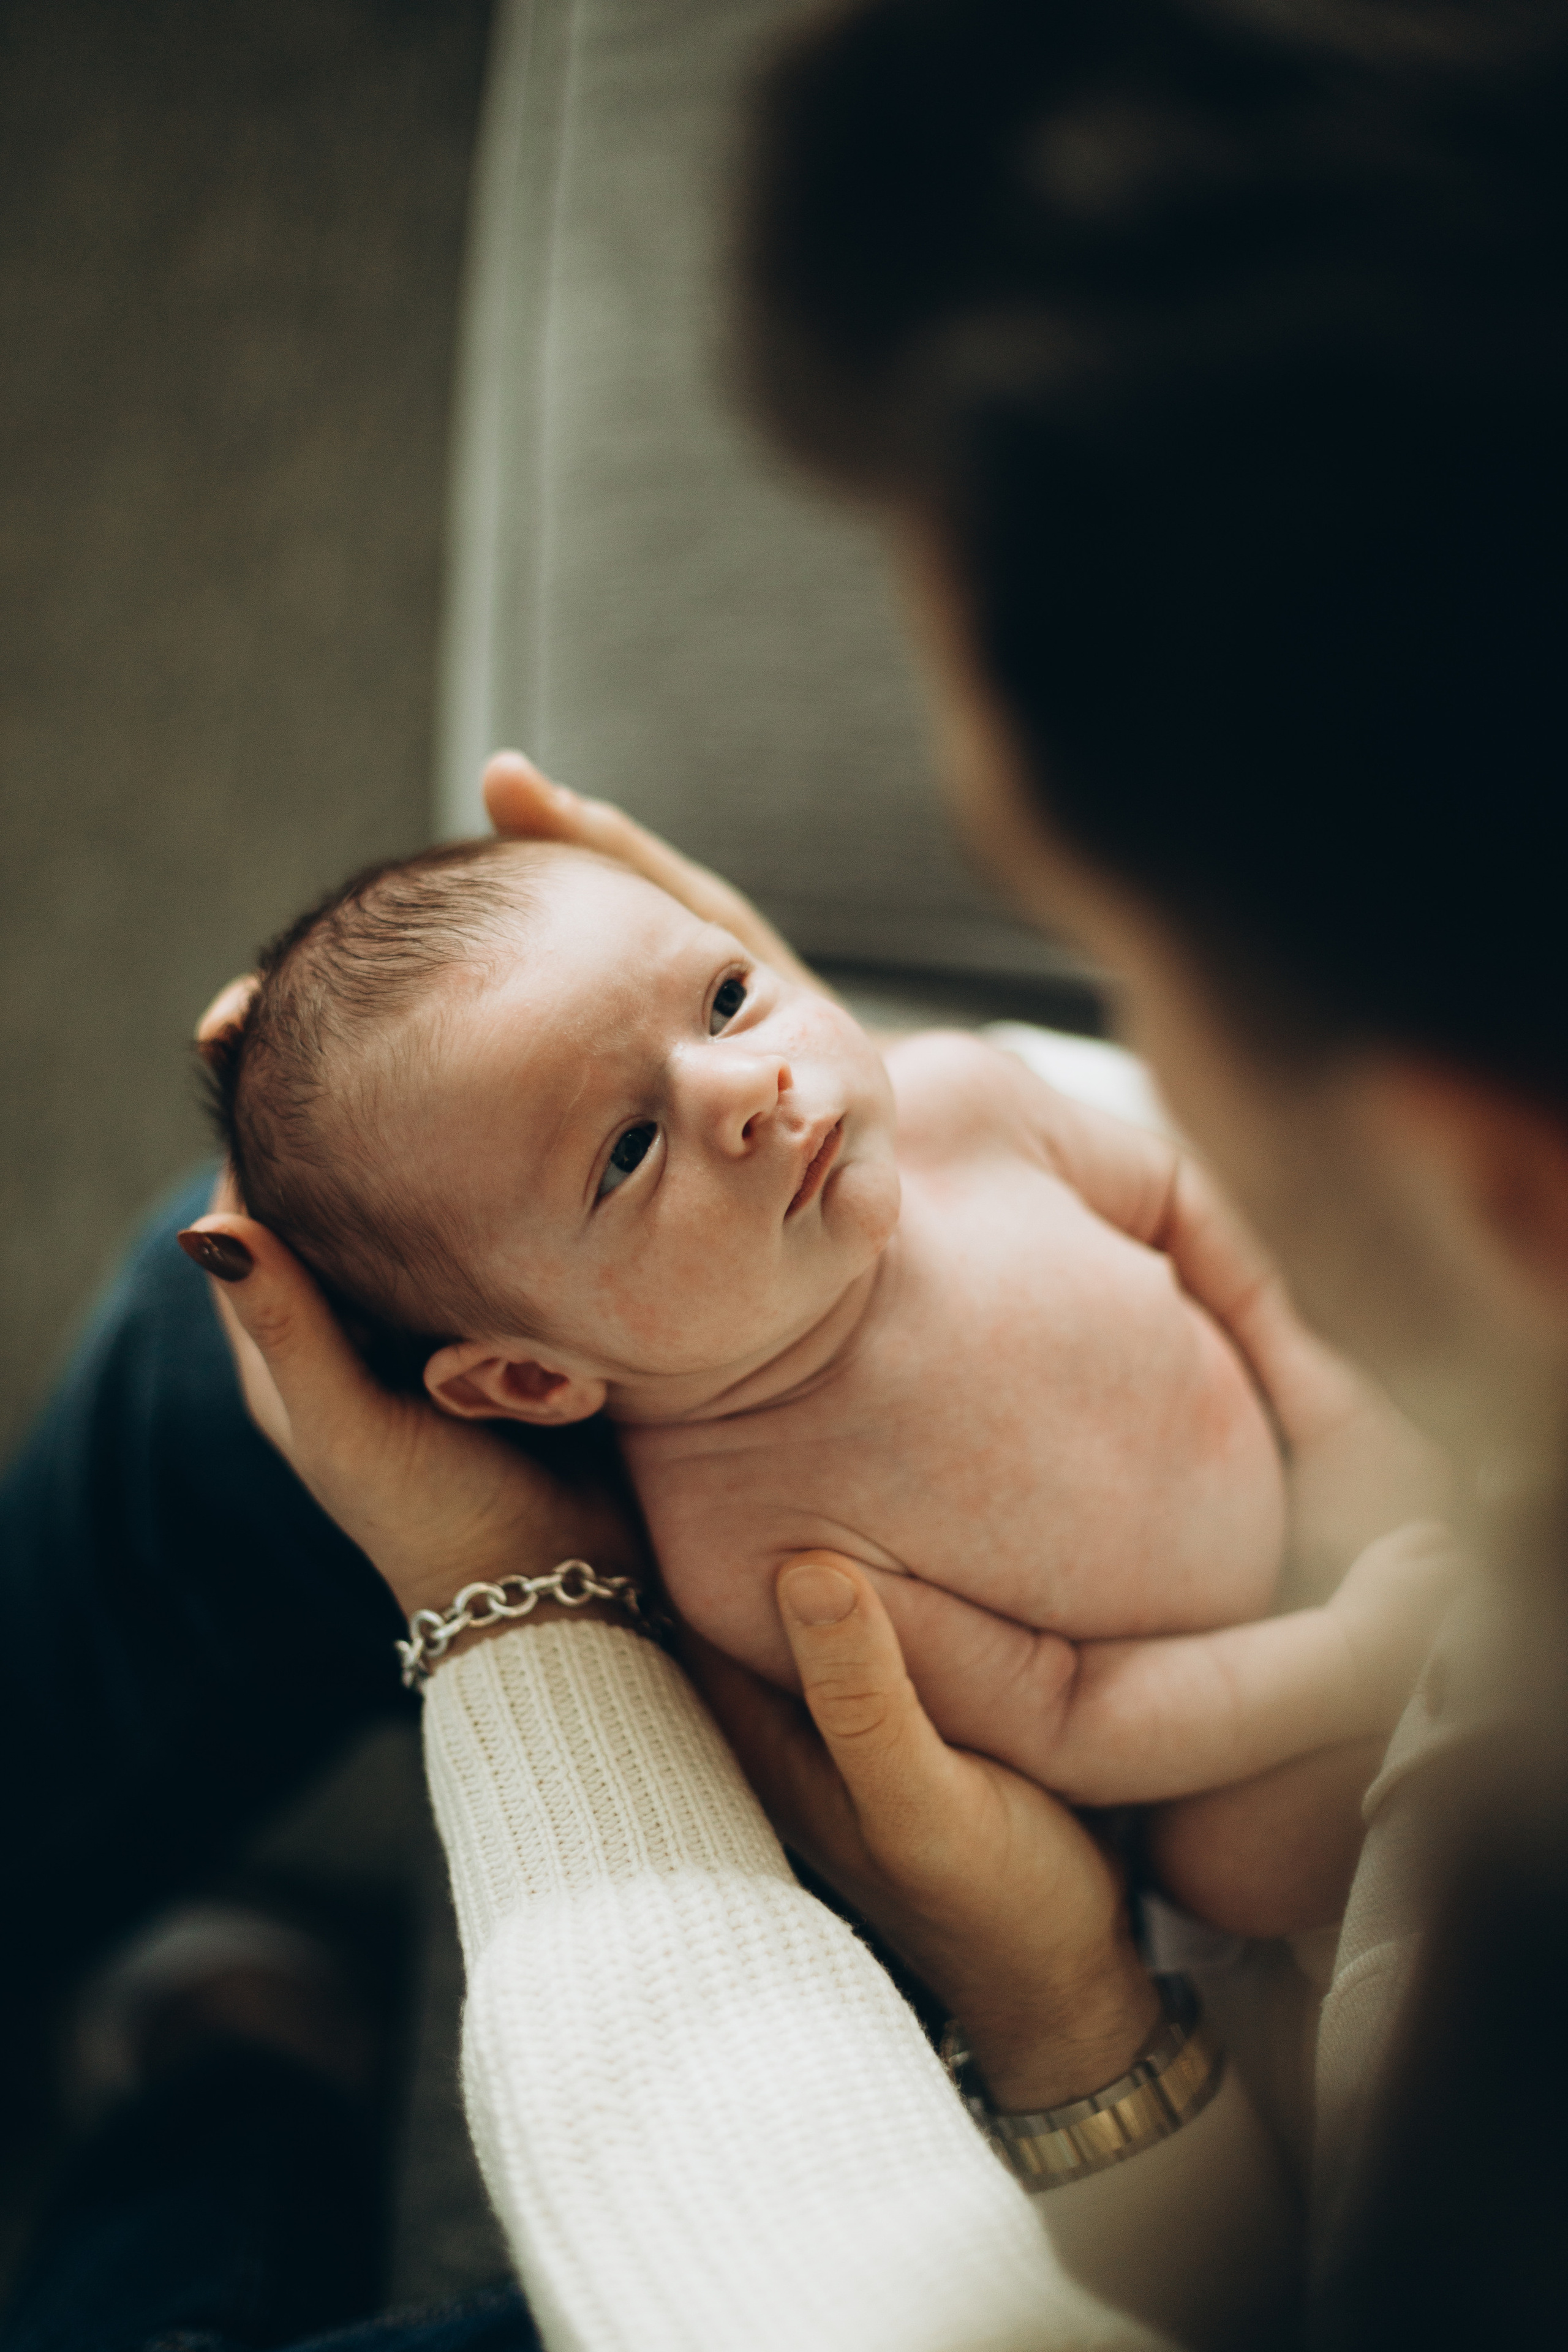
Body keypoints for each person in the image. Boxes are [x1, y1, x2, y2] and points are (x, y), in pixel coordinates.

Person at [3, 0, 1563, 2343]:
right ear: (528, 1376)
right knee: (196, 1307)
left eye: (1120, 935)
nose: (771, 1067)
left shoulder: (1486, 2088)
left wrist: (1049, 2003)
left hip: (1187, 2003)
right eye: (658, 1110)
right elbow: (1041, 1681)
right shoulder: (769, 1540)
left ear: (1494, 1180)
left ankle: (219, 2100)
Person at [199, 830, 1447, 1937]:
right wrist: (1341, 1659)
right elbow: (1066, 1713)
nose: (747, 1089)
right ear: (530, 1376)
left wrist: (1327, 1415)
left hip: (1312, 1447)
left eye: (727, 995)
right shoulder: (756, 1544)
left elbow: (1182, 1205)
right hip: (1228, 1703)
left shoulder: (965, 1104)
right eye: (627, 1153)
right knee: (1246, 1863)